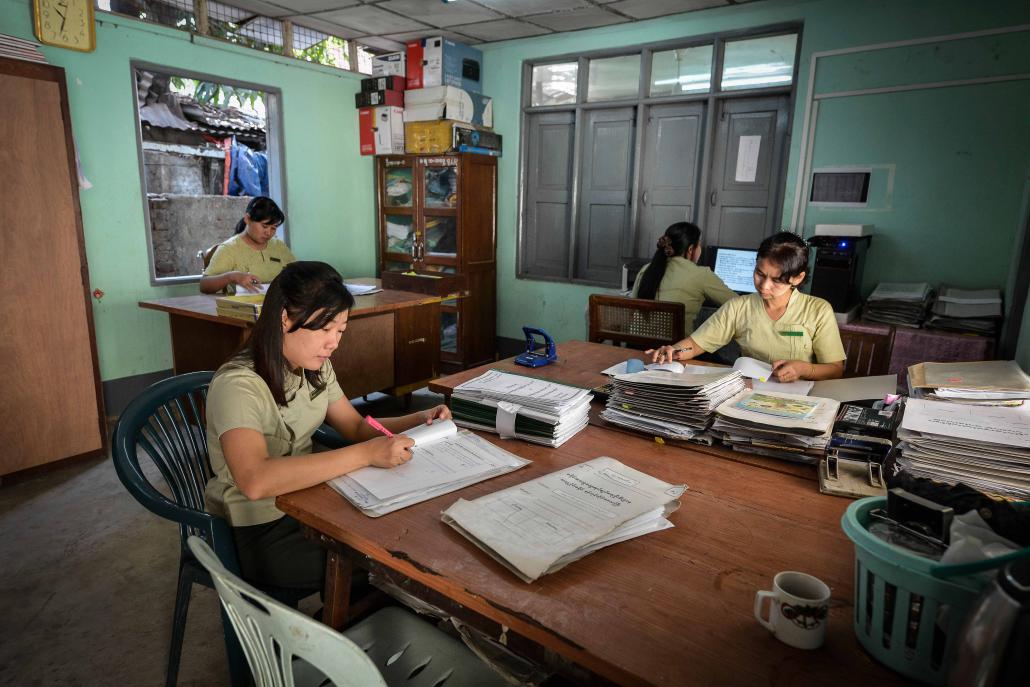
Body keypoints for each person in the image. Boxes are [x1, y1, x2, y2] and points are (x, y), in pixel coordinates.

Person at [204, 261, 451, 594]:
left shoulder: (314, 367)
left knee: (403, 533)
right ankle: (344, 630)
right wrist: (366, 455)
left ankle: (348, 622)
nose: (333, 343)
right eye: (325, 329)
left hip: (308, 503)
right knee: (391, 561)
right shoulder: (239, 385)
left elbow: (354, 426)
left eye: (340, 331)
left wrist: (418, 419)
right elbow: (255, 480)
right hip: (258, 529)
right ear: (285, 318)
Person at [648, 232, 845, 382]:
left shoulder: (818, 310)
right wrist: (673, 350)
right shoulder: (738, 307)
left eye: (777, 280)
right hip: (750, 390)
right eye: (759, 273)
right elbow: (697, 344)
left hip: (800, 397)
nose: (764, 286)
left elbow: (836, 369)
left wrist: (804, 369)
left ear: (798, 278)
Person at [632, 222, 736, 328]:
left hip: (636, 343)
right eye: (699, 245)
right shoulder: (701, 274)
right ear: (690, 249)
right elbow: (739, 305)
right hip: (676, 345)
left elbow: (631, 307)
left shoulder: (646, 269)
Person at [199, 196, 297, 294]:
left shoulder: (278, 246)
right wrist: (231, 276)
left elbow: (298, 273)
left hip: (277, 305)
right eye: (264, 226)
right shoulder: (229, 249)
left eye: (273, 228)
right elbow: (204, 285)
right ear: (247, 219)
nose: (268, 233)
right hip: (242, 307)